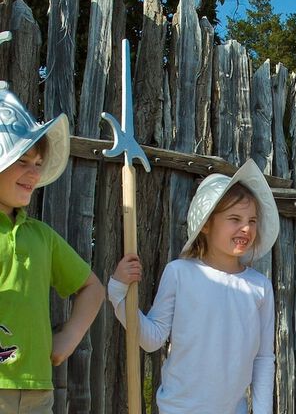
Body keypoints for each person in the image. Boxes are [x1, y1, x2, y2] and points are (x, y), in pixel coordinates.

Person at [108, 159, 279, 413]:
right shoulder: (180, 273)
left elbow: (264, 358)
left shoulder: (259, 287)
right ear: (206, 224)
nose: (246, 228)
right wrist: (118, 292)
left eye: (252, 221)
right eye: (235, 218)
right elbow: (152, 338)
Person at [0, 89, 105, 413]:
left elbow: (92, 288)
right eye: (22, 161)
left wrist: (69, 337)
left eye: (39, 164)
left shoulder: (41, 237)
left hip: (37, 388)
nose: (34, 173)